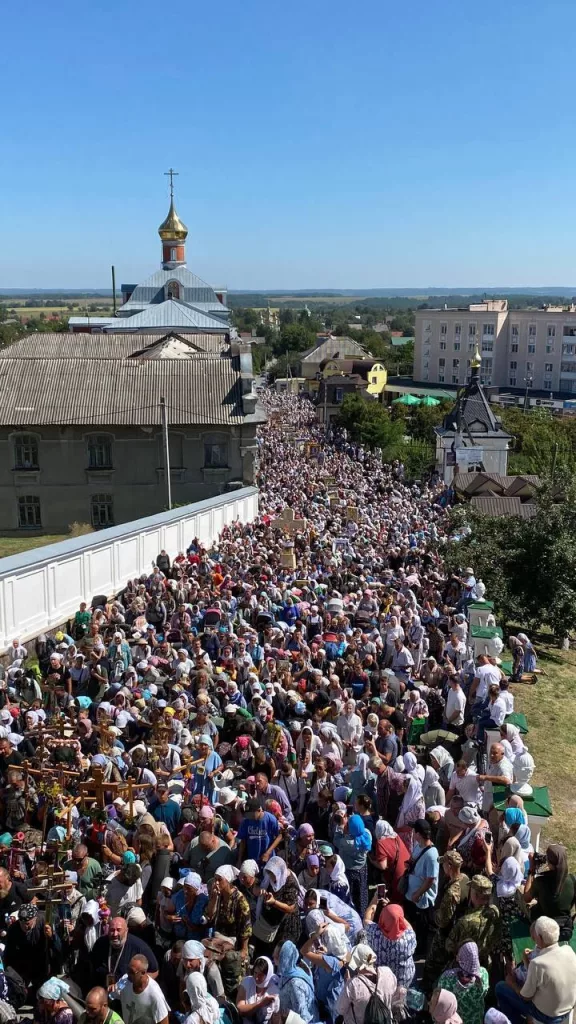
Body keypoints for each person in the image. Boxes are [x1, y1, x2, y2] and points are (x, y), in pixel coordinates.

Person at [496, 917, 576, 1024]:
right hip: (567, 1009)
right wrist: (526, 960)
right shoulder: (568, 950)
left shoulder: (537, 963)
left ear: (539, 937)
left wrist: (512, 983)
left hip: (547, 1016)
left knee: (500, 987)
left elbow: (525, 997)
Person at [301, 914, 349, 1021]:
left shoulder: (331, 962)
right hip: (335, 1002)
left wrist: (315, 935)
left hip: (326, 1005)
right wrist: (327, 952)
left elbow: (304, 951)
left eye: (324, 938)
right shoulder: (344, 954)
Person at [90, 916, 159, 990]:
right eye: (112, 930)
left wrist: (135, 986)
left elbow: (154, 971)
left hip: (127, 994)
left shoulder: (139, 947)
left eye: (118, 930)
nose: (115, 934)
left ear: (126, 930)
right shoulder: (100, 944)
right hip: (103, 992)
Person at [335, 944, 398, 1024]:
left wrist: (347, 983)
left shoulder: (353, 984)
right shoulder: (387, 972)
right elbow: (394, 991)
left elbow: (340, 1009)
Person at [523, 844, 576, 934]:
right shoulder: (572, 879)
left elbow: (526, 898)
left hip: (543, 925)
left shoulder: (540, 881)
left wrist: (531, 870)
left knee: (521, 893)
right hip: (564, 925)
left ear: (549, 862)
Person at [363, 901, 417, 988]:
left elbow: (366, 919)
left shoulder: (374, 933)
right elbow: (408, 926)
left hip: (381, 982)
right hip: (403, 984)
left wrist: (375, 899)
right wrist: (396, 916)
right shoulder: (409, 937)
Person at [253, 857, 300, 951]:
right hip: (269, 922)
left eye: (273, 875)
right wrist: (261, 892)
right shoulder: (268, 876)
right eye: (269, 874)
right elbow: (255, 887)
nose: (270, 877)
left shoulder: (290, 883)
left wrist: (274, 902)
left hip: (286, 924)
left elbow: (290, 908)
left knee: (280, 951)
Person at [437, 943, 489, 1024]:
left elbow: (439, 1003)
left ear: (460, 959)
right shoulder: (484, 974)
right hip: (477, 1020)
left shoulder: (447, 979)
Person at [404, 818, 440, 937]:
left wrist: (417, 894)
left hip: (421, 900)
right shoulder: (418, 846)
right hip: (412, 895)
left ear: (418, 834)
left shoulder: (432, 855)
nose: (412, 832)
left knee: (422, 928)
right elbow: (413, 859)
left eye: (414, 831)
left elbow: (430, 879)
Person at [276, 940, 318, 1024]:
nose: (272, 957)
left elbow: (302, 1017)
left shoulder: (295, 985)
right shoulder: (292, 969)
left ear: (284, 959)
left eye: (276, 957)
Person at [119, 956, 170, 1024]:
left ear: (143, 973)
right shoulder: (125, 980)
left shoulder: (155, 995)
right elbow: (111, 996)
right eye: (128, 969)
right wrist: (111, 989)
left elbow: (164, 1022)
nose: (128, 974)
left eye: (132, 972)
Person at [236, 957, 279, 1024]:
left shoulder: (274, 990)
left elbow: (276, 1018)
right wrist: (261, 1003)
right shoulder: (247, 982)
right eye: (255, 973)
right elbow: (240, 1009)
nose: (256, 977)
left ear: (268, 975)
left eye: (261, 975)